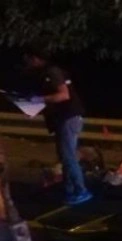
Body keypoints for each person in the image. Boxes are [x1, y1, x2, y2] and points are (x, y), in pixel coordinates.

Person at [17, 45, 92, 205]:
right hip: (62, 119)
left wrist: (39, 99)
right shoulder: (45, 74)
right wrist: (33, 108)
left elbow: (63, 95)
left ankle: (81, 190)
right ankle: (70, 191)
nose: (26, 63)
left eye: (27, 59)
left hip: (69, 118)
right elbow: (51, 99)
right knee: (65, 156)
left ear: (35, 58)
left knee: (68, 157)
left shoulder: (52, 72)